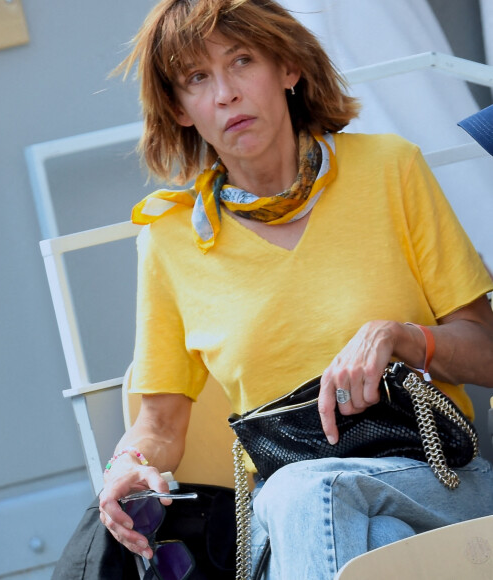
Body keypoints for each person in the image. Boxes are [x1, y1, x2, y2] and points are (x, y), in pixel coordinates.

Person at [95, 1, 493, 578]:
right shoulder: (168, 239)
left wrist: (400, 337)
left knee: (306, 494)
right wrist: (127, 466)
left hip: (437, 478)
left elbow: (485, 349)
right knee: (354, 528)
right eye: (197, 78)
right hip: (295, 516)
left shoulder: (390, 168)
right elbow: (159, 424)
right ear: (181, 110)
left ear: (288, 69)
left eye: (241, 61)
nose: (225, 93)